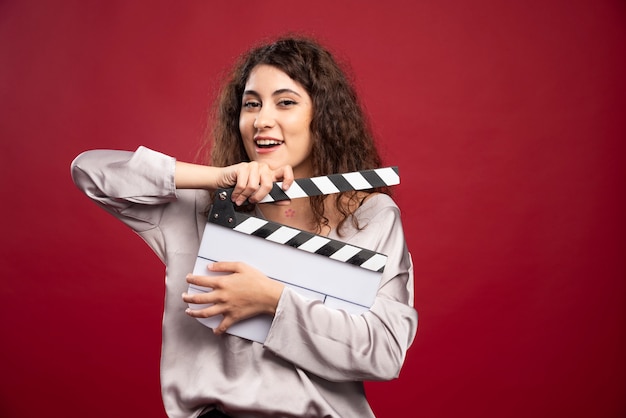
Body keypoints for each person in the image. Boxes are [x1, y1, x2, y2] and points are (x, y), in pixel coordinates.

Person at [71, 36, 418, 418]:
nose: (261, 120)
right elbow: (91, 172)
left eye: (285, 102)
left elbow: (384, 352)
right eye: (251, 104)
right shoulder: (199, 207)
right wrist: (215, 177)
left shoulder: (368, 215)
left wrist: (272, 300)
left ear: (323, 116)